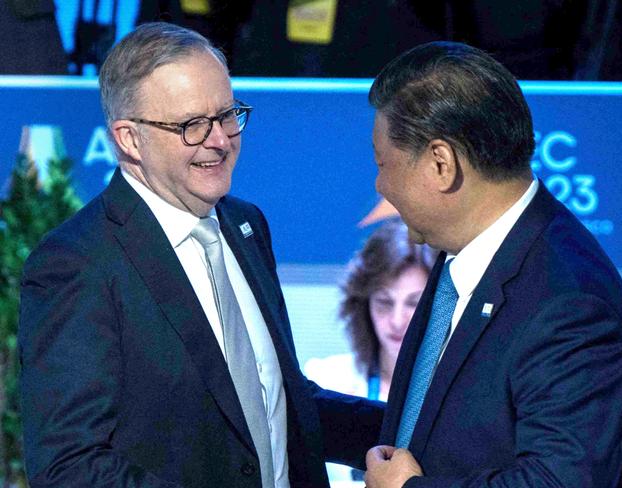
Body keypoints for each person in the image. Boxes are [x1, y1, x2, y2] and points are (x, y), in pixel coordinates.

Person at [18, 22, 383, 488]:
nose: (219, 140)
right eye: (192, 125)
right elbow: (69, 465)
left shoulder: (246, 226)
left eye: (227, 115)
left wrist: (418, 428)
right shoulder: (77, 263)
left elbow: (280, 401)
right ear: (129, 139)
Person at [363, 41, 622, 488]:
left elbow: (559, 482)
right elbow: (439, 427)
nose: (381, 185)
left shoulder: (569, 306)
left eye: (384, 164)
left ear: (442, 164)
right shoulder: (469, 252)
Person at [305, 219, 435, 482]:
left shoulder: (461, 393)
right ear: (363, 305)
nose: (397, 320)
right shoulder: (327, 378)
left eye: (413, 303)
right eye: (385, 302)